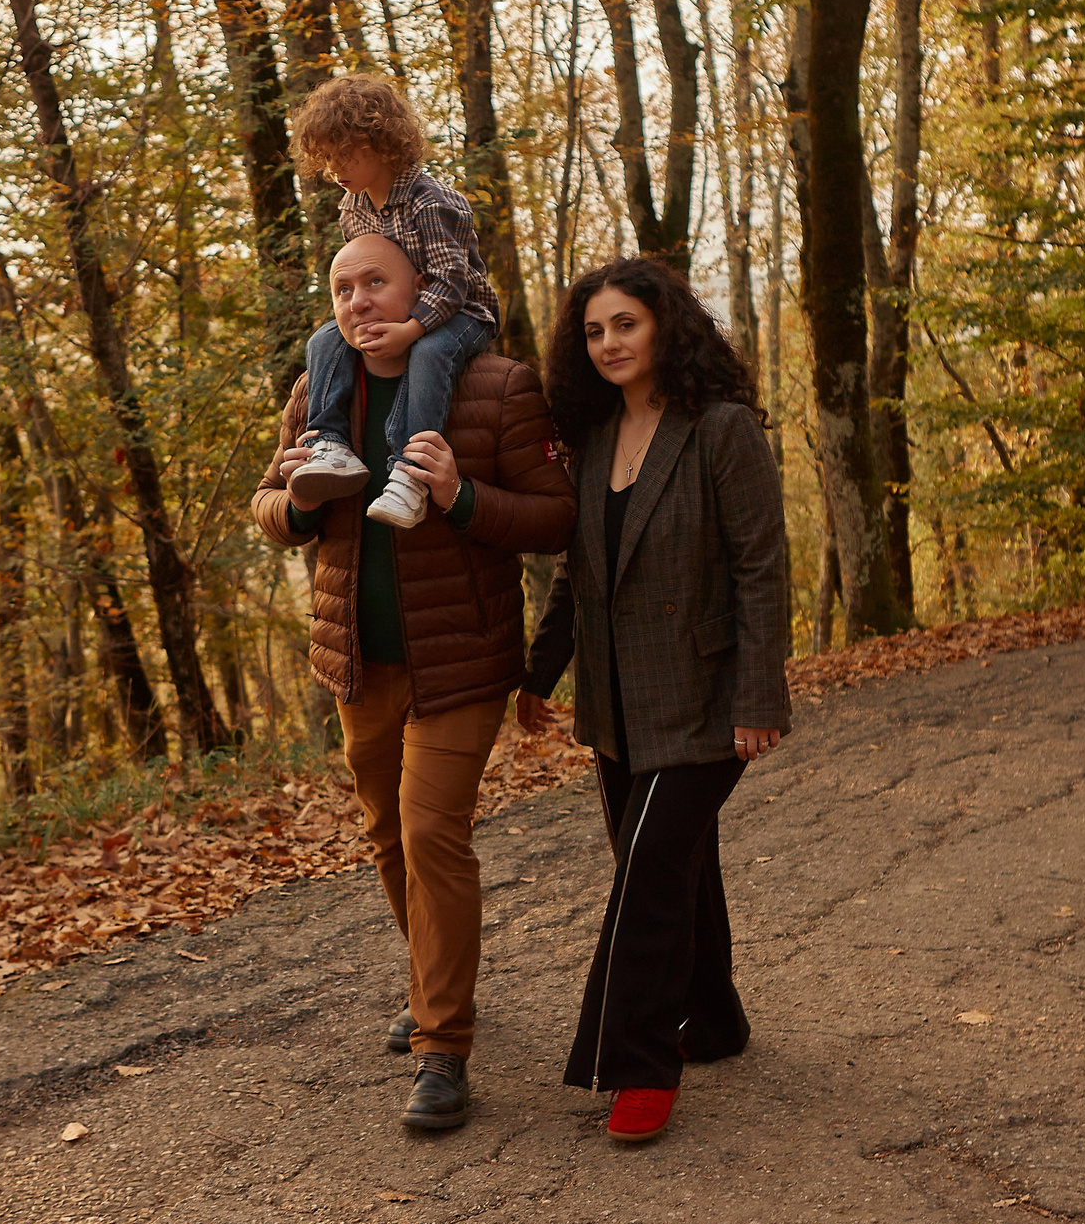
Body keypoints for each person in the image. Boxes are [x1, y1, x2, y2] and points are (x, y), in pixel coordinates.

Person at [252, 233, 574, 1131]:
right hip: (358, 660)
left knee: (433, 832)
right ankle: (437, 981)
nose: (358, 302)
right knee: (387, 835)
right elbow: (269, 504)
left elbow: (556, 517)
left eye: (376, 282)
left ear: (421, 288)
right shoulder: (320, 390)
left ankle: (443, 1046)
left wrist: (462, 494)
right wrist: (301, 505)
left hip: (461, 661)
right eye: (343, 288)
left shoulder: (497, 385)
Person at [516, 257, 790, 1145]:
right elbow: (579, 574)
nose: (608, 343)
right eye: (594, 330)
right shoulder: (594, 437)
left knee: (644, 877)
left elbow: (761, 570)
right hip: (616, 705)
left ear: (665, 324)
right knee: (672, 867)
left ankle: (637, 1061)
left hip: (706, 700)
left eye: (624, 324)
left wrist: (758, 696)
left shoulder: (722, 429)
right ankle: (714, 1019)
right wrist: (537, 672)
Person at [283, 75, 504, 532]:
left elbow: (452, 282)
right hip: (402, 313)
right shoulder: (353, 207)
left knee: (430, 350)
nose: (334, 167)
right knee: (326, 339)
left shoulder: (432, 203)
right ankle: (331, 442)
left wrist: (409, 329)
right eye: (326, 157)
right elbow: (362, 277)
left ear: (381, 143)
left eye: (344, 153)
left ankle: (409, 471)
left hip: (463, 313)